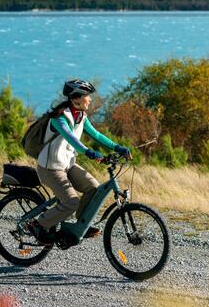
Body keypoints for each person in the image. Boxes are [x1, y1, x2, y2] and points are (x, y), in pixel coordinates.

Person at [26, 79, 131, 244]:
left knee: (94, 188)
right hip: (50, 168)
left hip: (67, 165)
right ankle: (37, 224)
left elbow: (96, 135)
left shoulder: (81, 116)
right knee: (72, 202)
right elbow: (71, 138)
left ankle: (80, 225)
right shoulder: (59, 118)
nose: (89, 99)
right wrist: (89, 152)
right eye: (87, 96)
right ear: (76, 98)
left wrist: (117, 147)